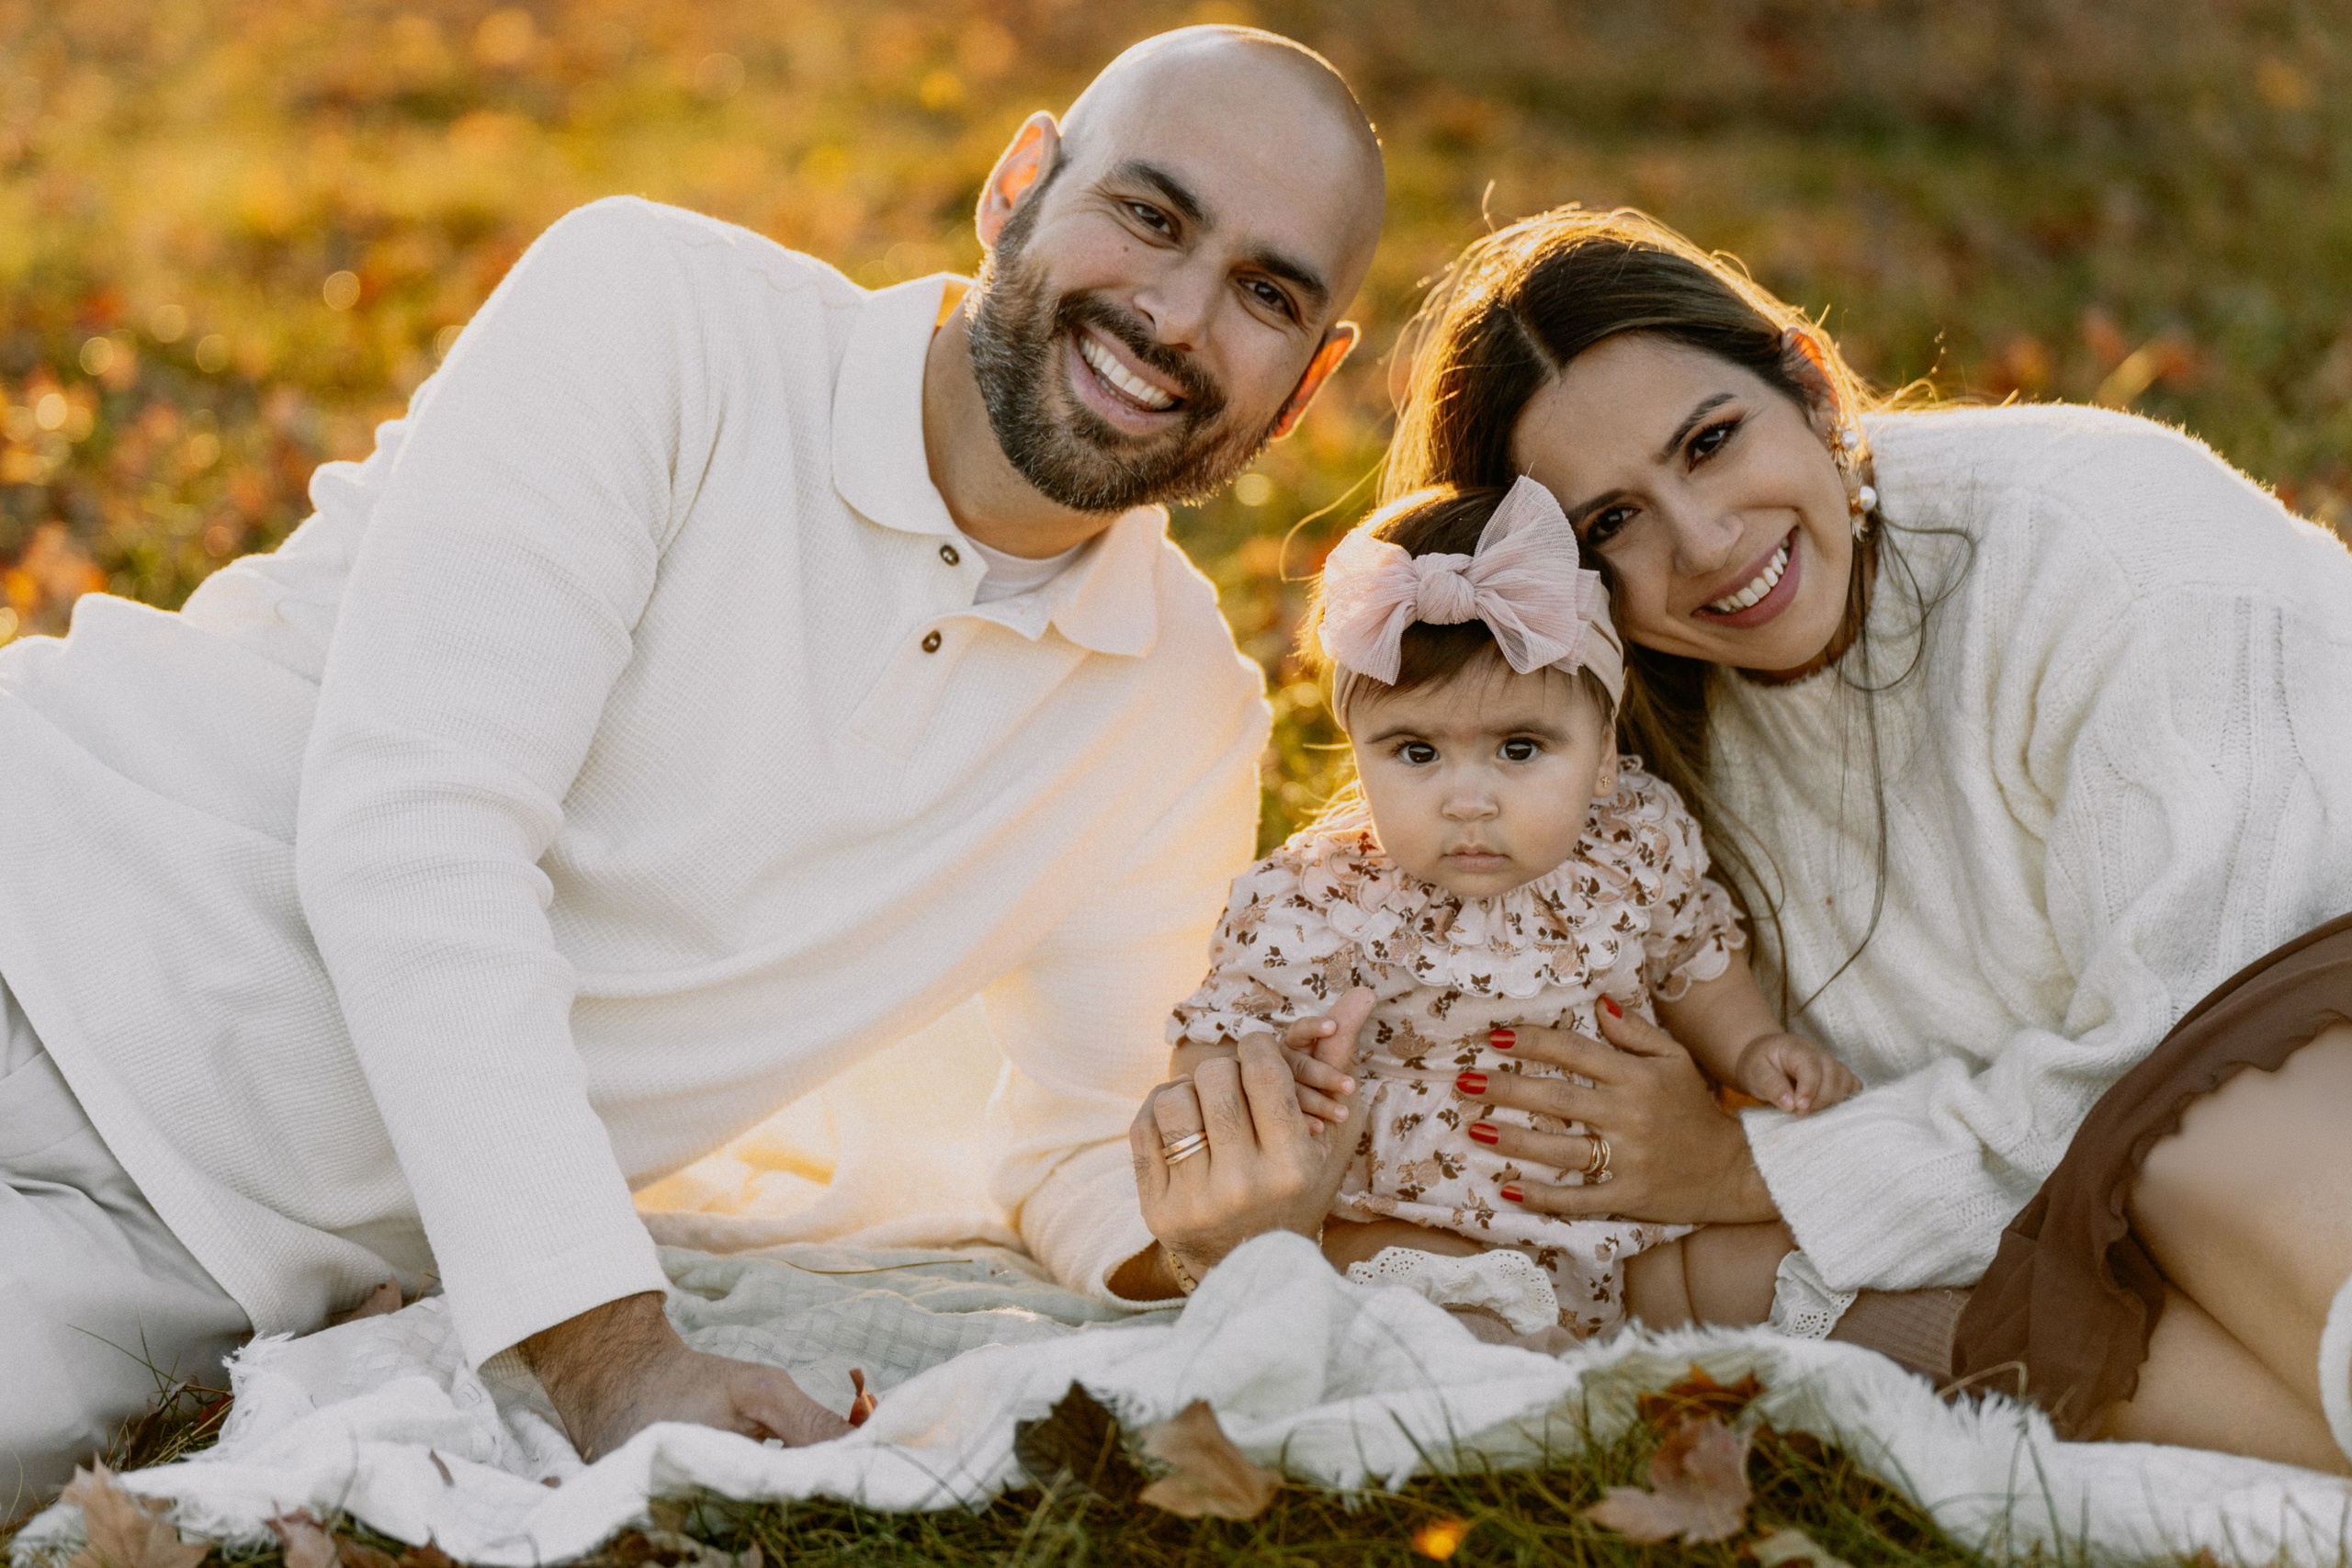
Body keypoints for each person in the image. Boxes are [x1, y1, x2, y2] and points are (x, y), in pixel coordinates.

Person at [0, 26, 1386, 1495]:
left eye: (1264, 291)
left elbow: (1078, 1143)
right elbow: (417, 830)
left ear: (1306, 387)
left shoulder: (1178, 717)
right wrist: (610, 1347)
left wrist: (1218, 1227)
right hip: (50, 903)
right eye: (1151, 214)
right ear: (1017, 184)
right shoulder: (657, 313)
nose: (1174, 313)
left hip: (190, 1263)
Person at [1129, 201, 2352, 1476]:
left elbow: (2175, 1044)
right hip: (2071, 1210)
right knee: (1733, 1277)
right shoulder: (1644, 760)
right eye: (1612, 523)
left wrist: (1752, 1164)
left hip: (2292, 1077)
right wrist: (1271, 1195)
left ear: (1811, 384)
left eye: (1712, 443)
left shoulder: (2121, 555)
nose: (1704, 543)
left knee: (2196, 1136)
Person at [1155, 477, 1856, 1340]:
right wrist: (1273, 1073)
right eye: (1416, 751)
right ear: (1358, 755)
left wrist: (1756, 1048)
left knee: (1808, 1267)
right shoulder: (1320, 898)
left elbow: (1695, 960)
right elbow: (1217, 1052)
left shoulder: (1634, 845)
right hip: (1425, 1230)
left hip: (1634, 1223)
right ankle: (1511, 1381)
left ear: (1601, 755)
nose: (1468, 798)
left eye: (1520, 748)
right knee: (1462, 1334)